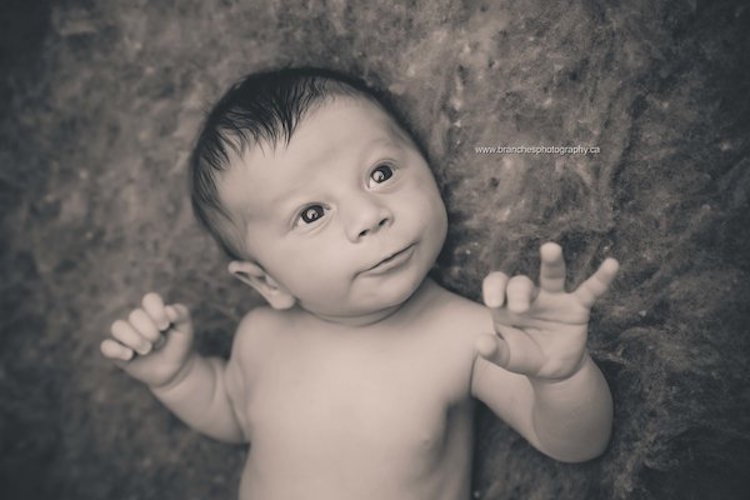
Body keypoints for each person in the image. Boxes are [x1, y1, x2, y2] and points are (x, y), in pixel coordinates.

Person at [100, 67, 619, 500]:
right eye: (311, 214)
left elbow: (576, 444)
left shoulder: (468, 336)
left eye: (380, 173)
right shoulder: (260, 336)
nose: (369, 216)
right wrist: (177, 378)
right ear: (266, 282)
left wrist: (561, 376)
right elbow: (234, 414)